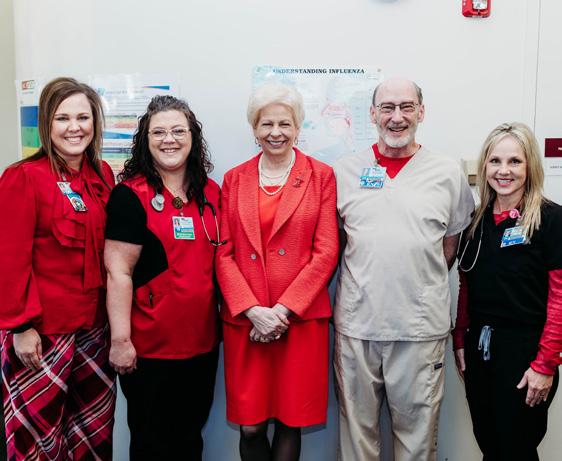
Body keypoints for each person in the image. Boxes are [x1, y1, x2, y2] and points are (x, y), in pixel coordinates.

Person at [333, 77, 474, 461]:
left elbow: (449, 247)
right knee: (356, 438)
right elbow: (339, 243)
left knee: (417, 440)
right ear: (373, 114)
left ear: (421, 112)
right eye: (388, 108)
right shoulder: (345, 172)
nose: (397, 117)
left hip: (419, 329)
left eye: (407, 107)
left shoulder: (446, 173)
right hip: (358, 326)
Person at [216, 82, 338, 461]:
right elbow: (223, 253)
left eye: (284, 123)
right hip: (247, 323)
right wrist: (254, 311)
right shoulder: (234, 179)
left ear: (298, 127)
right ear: (254, 129)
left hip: (298, 322)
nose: (275, 132)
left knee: (290, 420)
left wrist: (282, 312)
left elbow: (326, 251)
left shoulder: (320, 176)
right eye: (266, 124)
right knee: (250, 425)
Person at [0, 77, 116, 460]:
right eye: (62, 118)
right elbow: (9, 258)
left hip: (95, 330)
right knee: (38, 442)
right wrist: (20, 327)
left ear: (95, 122)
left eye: (83, 117)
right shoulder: (24, 177)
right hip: (41, 333)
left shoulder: (102, 176)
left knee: (92, 438)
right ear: (46, 124)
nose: (74, 127)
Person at [104, 95, 220, 461]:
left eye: (178, 131)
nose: (169, 139)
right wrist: (121, 341)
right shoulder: (129, 196)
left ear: (192, 137)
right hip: (149, 349)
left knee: (190, 439)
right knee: (152, 443)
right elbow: (118, 272)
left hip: (201, 345)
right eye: (158, 132)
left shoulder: (210, 193)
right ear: (146, 140)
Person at [453, 122, 562, 461]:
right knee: (490, 445)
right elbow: (467, 285)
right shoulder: (476, 222)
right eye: (495, 161)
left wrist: (545, 364)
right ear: (484, 166)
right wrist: (460, 339)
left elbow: (560, 299)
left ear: (530, 166)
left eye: (515, 161)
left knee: (516, 449)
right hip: (480, 351)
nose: (504, 171)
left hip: (526, 354)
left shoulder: (551, 219)